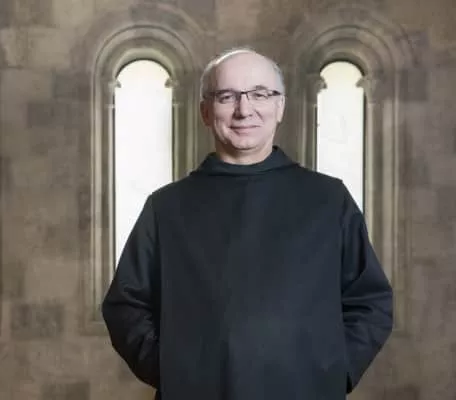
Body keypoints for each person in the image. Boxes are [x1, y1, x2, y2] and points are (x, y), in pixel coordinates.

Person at [101, 47, 393, 400]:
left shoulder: (329, 200)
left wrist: (335, 370)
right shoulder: (166, 208)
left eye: (260, 94)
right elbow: (125, 305)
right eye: (227, 96)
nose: (244, 110)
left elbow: (371, 301)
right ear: (205, 111)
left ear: (280, 106)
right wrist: (172, 370)